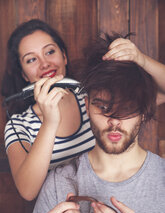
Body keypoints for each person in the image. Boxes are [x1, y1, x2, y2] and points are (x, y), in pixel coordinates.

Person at [1, 19, 165, 203]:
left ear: (64, 56)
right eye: (31, 59)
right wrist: (50, 123)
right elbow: (28, 190)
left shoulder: (97, 100)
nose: (44, 63)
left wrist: (141, 59)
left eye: (50, 52)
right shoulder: (18, 125)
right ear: (24, 74)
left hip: (109, 206)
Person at [32, 34, 165, 213]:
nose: (113, 121)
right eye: (103, 107)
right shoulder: (58, 184)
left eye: (127, 108)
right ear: (86, 105)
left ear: (143, 110)